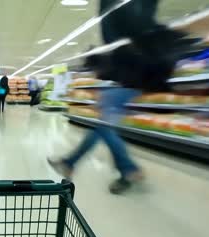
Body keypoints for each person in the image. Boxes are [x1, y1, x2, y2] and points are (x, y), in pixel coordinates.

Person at [48, 0, 186, 194]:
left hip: (134, 82)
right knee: (103, 128)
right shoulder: (143, 27)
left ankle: (126, 169)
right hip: (139, 81)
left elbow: (121, 43)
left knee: (105, 127)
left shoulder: (130, 26)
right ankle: (80, 164)